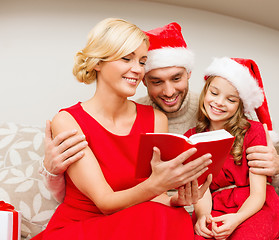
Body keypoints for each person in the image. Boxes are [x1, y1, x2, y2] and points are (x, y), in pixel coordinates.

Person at [40, 21, 279, 204]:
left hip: (225, 210)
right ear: (145, 81)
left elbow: (262, 175)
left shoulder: (219, 105)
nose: (169, 91)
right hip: (166, 211)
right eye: (156, 81)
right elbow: (82, 194)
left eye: (176, 78)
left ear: (189, 73)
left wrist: (277, 167)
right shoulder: (135, 114)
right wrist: (52, 171)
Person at [35, 18, 214, 240]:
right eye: (127, 58)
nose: (137, 70)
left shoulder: (157, 119)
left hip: (136, 222)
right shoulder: (68, 120)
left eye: (142, 61)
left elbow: (153, 198)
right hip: (82, 227)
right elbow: (105, 202)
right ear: (97, 62)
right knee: (156, 216)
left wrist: (174, 200)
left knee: (172, 215)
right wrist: (157, 184)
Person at [187, 57, 279, 239]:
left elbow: (258, 193)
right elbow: (202, 189)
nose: (219, 102)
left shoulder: (253, 131)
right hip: (213, 206)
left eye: (231, 100)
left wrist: (237, 218)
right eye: (214, 93)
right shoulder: (192, 137)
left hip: (253, 206)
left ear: (240, 105)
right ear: (205, 91)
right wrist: (203, 216)